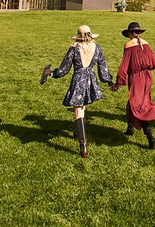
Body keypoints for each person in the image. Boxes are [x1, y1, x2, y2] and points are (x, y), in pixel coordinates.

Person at [40, 25, 115, 158]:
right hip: (91, 80)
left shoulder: (74, 49)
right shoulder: (97, 48)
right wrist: (109, 82)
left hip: (78, 80)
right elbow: (103, 69)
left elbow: (63, 70)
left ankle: (83, 145)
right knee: (83, 106)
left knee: (78, 111)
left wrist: (50, 73)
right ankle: (77, 132)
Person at [111, 21, 155, 149]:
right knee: (133, 101)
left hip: (136, 79)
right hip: (147, 77)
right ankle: (130, 128)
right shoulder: (146, 43)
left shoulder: (128, 45)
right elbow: (154, 63)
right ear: (139, 33)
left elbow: (124, 65)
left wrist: (118, 82)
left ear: (130, 33)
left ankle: (149, 136)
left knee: (139, 106)